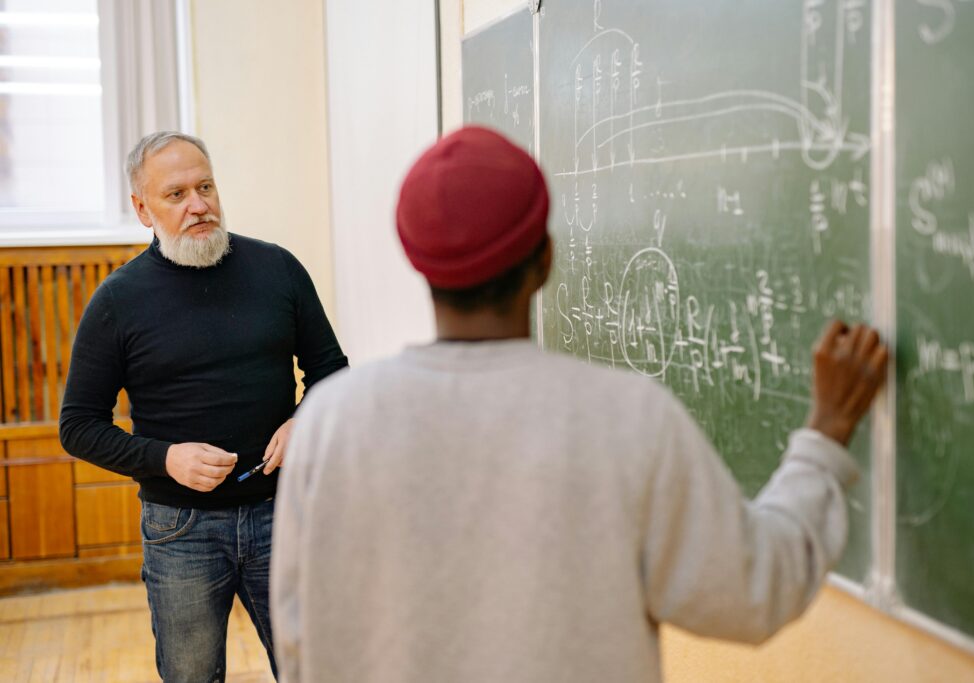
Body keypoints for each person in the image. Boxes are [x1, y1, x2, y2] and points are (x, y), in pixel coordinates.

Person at [270, 126, 888, 683]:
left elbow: (297, 636)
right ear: (545, 260)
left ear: (418, 263)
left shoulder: (332, 420)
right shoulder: (625, 419)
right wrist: (826, 434)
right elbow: (754, 589)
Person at [59, 131, 348, 682]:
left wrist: (304, 421)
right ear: (142, 209)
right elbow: (78, 426)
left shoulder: (277, 269)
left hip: (282, 514)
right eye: (176, 195)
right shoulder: (118, 300)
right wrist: (165, 459)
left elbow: (331, 370)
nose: (198, 205)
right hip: (180, 531)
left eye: (206, 186)